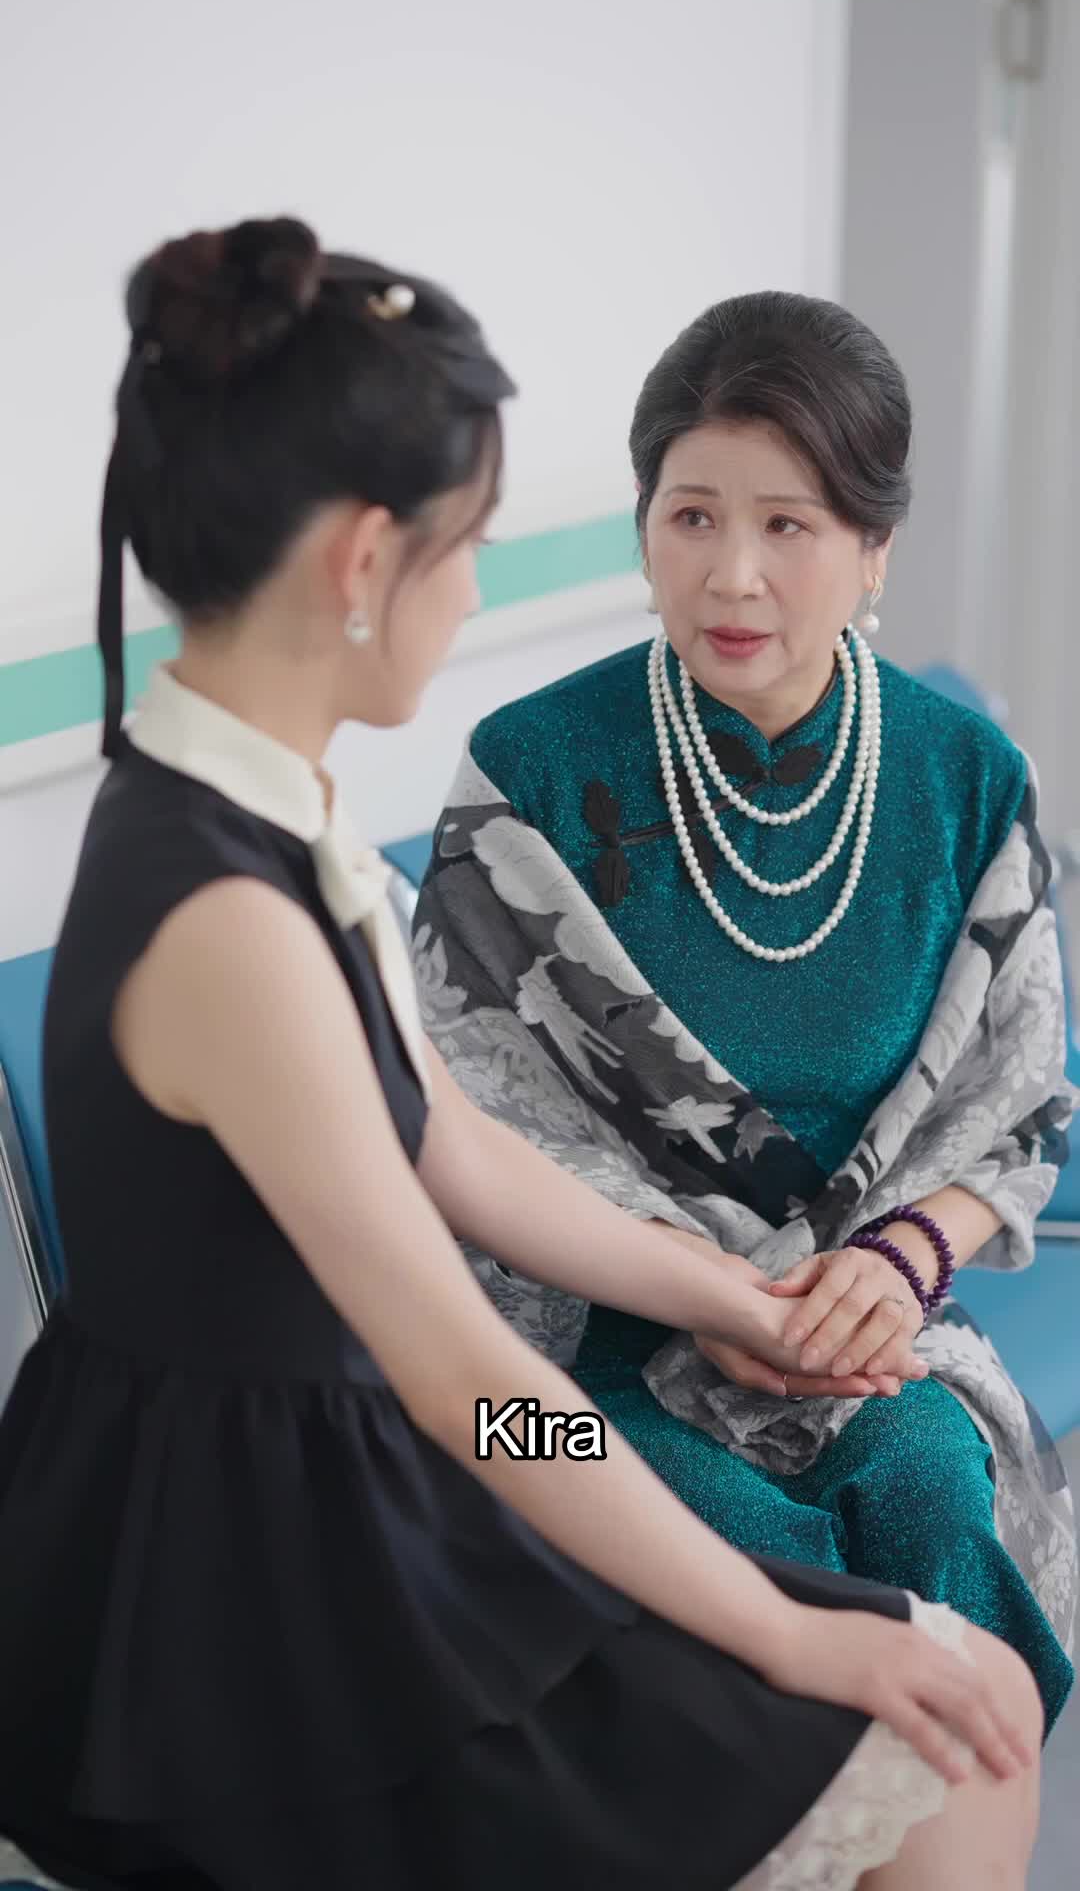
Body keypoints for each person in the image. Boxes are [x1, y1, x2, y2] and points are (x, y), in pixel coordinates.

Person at [0, 224, 1043, 1891]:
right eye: (470, 545)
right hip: (267, 1579)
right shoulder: (235, 927)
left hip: (360, 1459)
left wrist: (738, 1303)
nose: (480, 594)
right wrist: (789, 1634)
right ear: (366, 562)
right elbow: (483, 1393)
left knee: (939, 1688)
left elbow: (457, 1152)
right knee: (939, 1734)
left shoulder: (267, 814)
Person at [413, 289, 1078, 1737]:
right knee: (753, 1577)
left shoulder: (965, 778)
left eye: (789, 524)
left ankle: (942, 1825)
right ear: (645, 527)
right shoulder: (528, 769)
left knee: (935, 1518)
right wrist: (705, 1294)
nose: (734, 574)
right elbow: (470, 1131)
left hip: (867, 1327)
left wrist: (903, 1261)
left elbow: (1019, 1111)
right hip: (557, 1358)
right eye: (693, 516)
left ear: (874, 547)